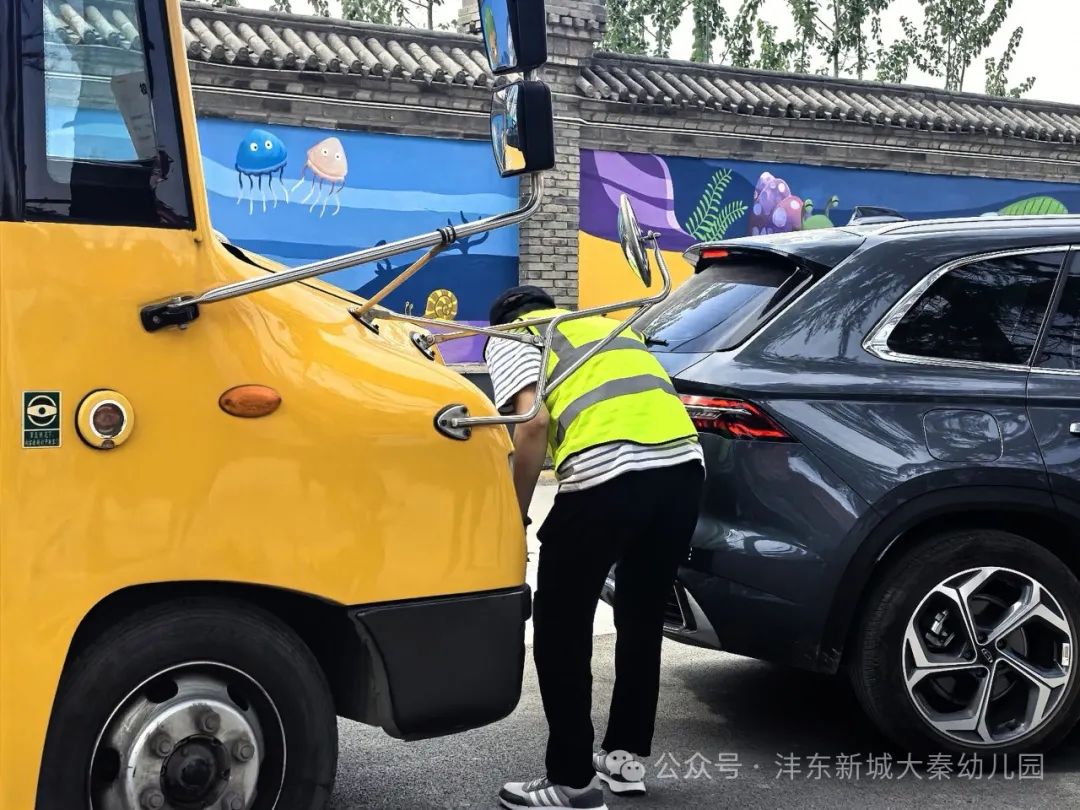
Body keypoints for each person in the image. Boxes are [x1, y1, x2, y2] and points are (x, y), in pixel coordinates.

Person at [487, 286, 705, 810]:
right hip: (684, 471)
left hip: (608, 474)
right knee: (641, 616)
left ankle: (570, 780)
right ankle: (626, 762)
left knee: (561, 623)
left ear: (503, 318)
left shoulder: (513, 335)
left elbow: (532, 424)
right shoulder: (606, 325)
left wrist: (515, 514)